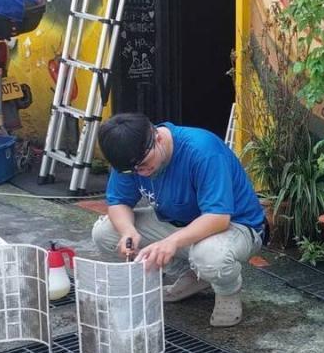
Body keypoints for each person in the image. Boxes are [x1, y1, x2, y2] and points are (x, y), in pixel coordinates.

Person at [91, 113, 267, 327]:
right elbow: (118, 202)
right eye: (133, 170)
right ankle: (193, 276)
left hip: (235, 226)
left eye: (144, 164)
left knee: (209, 255)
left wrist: (171, 242)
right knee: (105, 233)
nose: (141, 173)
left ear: (157, 137)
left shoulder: (202, 150)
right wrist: (128, 231)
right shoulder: (130, 157)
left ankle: (227, 291)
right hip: (178, 223)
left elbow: (218, 218)